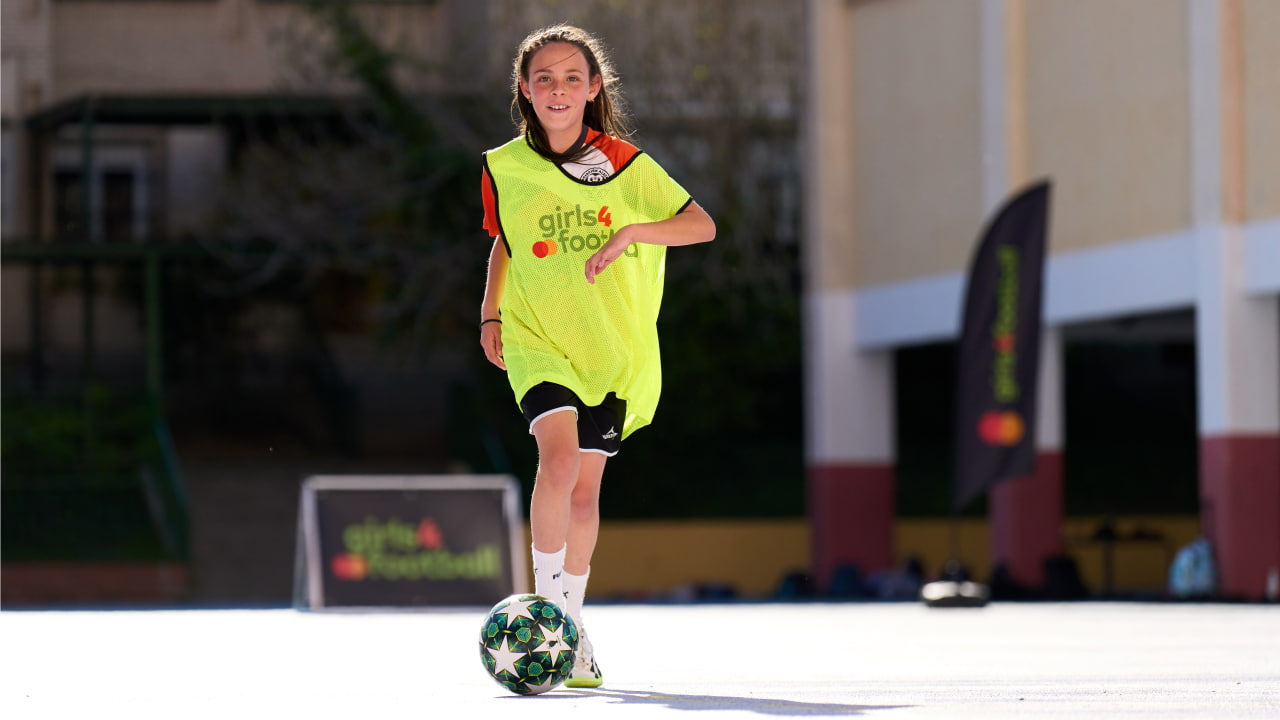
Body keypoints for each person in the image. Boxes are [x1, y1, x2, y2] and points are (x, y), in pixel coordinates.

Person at [478, 25, 715, 689]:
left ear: (593, 88)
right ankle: (551, 622)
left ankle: (572, 629)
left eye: (571, 78)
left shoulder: (625, 164)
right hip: (537, 336)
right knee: (555, 461)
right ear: (525, 90)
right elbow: (504, 241)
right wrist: (490, 311)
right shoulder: (505, 167)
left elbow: (701, 224)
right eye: (544, 78)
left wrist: (637, 229)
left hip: (611, 350)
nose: (558, 89)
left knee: (585, 496)